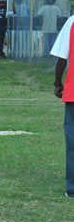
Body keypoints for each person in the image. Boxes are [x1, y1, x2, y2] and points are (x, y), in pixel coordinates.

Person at [49, 14, 74, 198]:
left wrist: (58, 82)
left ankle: (72, 188)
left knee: (73, 142)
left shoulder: (72, 21)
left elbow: (61, 58)